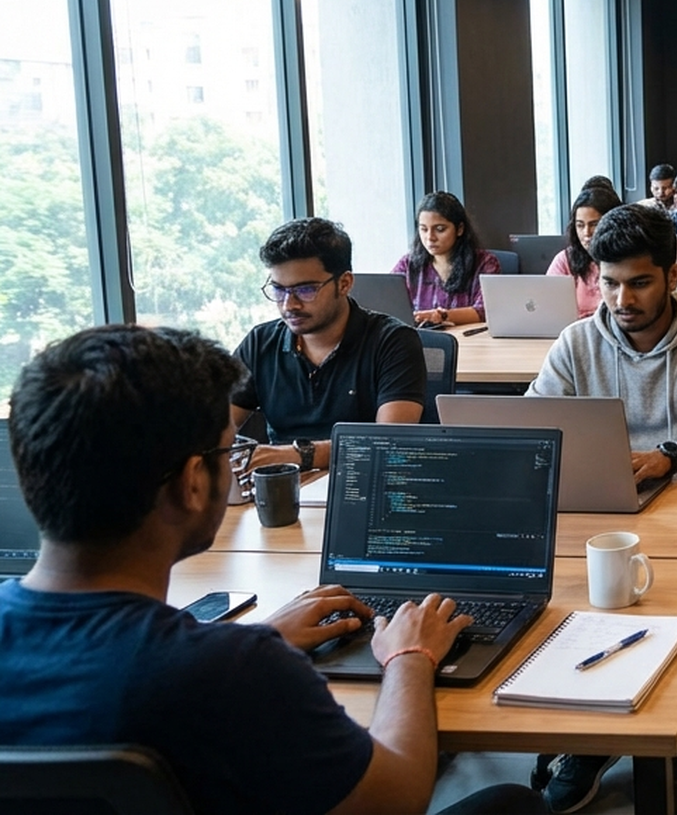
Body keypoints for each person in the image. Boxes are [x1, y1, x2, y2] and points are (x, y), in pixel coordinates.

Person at [0, 325, 543, 815]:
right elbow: (396, 797)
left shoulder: (226, 661)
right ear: (193, 481)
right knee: (513, 805)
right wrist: (410, 656)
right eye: (227, 451)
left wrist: (259, 636)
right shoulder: (234, 671)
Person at [527, 203, 677, 813]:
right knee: (558, 607)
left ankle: (673, 738)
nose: (621, 298)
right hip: (599, 518)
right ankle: (589, 739)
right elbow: (532, 424)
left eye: (639, 282)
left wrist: (672, 454)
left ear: (671, 274)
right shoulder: (577, 342)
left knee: (672, 613)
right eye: (609, 282)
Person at [230, 218, 426, 471]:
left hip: (363, 487)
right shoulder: (260, 342)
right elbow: (212, 428)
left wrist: (293, 455)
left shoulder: (393, 341)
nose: (289, 305)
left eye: (306, 290)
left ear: (344, 283)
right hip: (282, 492)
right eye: (278, 290)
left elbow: (387, 444)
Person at [391, 191, 501, 326]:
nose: (430, 237)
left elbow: (485, 311)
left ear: (459, 229)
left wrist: (441, 316)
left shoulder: (484, 263)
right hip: (418, 341)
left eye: (440, 229)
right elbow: (389, 304)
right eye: (424, 229)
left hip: (468, 341)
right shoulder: (408, 265)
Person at [547, 181, 623, 319]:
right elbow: (547, 306)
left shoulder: (627, 259)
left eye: (594, 224)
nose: (586, 232)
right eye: (580, 225)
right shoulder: (565, 260)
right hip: (575, 333)